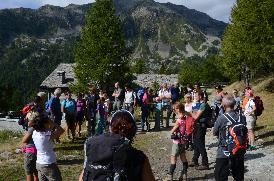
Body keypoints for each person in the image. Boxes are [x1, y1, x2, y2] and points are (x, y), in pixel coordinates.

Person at [78, 110, 155, 181]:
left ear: (110, 128)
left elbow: (82, 178)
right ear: (133, 132)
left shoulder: (94, 150)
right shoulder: (139, 157)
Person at [213, 94, 246, 181]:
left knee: (220, 176)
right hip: (238, 150)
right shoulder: (242, 117)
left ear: (223, 106)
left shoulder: (221, 118)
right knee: (239, 177)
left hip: (224, 152)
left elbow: (214, 132)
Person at [27, 111, 64, 181]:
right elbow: (61, 130)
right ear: (44, 124)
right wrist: (53, 123)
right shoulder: (47, 135)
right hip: (48, 163)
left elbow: (45, 128)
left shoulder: (35, 133)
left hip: (39, 163)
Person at [166, 102, 188, 181]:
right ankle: (184, 174)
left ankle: (170, 176)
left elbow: (172, 131)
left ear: (178, 109)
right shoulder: (186, 117)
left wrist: (172, 131)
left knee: (173, 158)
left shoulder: (179, 120)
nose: (174, 110)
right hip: (184, 141)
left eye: (174, 109)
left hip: (177, 142)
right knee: (183, 157)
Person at [189, 93, 210, 170]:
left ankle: (205, 163)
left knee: (200, 144)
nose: (194, 97)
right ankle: (195, 160)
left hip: (201, 126)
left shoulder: (203, 105)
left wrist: (189, 111)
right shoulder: (201, 105)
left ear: (201, 96)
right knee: (196, 143)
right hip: (199, 126)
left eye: (196, 96)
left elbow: (195, 117)